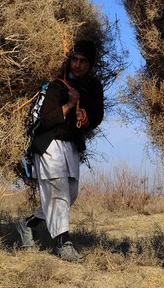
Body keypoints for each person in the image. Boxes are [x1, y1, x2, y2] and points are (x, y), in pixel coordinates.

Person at [16, 40, 104, 262]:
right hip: (49, 144)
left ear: (90, 64)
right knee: (58, 193)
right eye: (74, 59)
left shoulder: (93, 87)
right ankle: (63, 244)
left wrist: (86, 121)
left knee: (71, 193)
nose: (77, 65)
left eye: (83, 61)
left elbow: (97, 115)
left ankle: (29, 224)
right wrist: (69, 105)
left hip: (71, 146)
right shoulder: (56, 85)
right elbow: (46, 120)